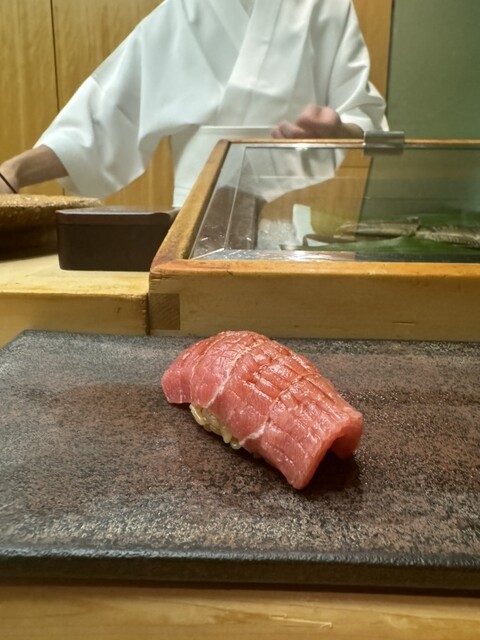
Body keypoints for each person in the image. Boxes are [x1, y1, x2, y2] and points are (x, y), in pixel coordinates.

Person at [0, 0, 387, 206]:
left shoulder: (327, 6)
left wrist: (338, 130)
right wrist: (14, 171)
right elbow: (104, 121)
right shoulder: (182, 11)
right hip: (196, 224)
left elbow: (363, 115)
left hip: (299, 222)